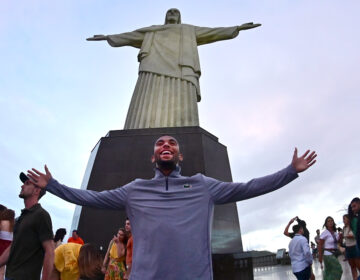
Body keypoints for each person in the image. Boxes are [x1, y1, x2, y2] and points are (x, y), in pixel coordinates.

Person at [27, 135, 317, 279]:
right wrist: (53, 185)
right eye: (160, 144)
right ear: (154, 158)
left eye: (172, 143)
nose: (166, 145)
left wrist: (290, 171)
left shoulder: (203, 186)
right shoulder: (135, 190)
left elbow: (248, 187)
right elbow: (91, 198)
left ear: (180, 156)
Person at [87, 9, 261, 129]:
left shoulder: (188, 30)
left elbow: (213, 32)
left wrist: (236, 28)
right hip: (152, 66)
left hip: (181, 68)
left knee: (182, 100)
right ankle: (138, 127)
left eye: (175, 12)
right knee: (147, 98)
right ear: (165, 16)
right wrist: (107, 37)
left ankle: (183, 127)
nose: (172, 14)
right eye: (169, 11)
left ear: (179, 17)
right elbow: (129, 36)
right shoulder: (152, 30)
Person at [0, 172, 54, 280]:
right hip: (10, 276)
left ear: (36, 191)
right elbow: (13, 247)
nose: (22, 185)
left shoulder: (41, 215)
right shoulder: (22, 217)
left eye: (27, 183)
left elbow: (50, 251)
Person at [318, 216, 343, 280]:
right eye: (328, 221)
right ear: (326, 224)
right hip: (328, 254)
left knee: (329, 271)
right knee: (339, 270)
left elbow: (338, 242)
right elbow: (320, 245)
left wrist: (341, 237)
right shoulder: (324, 233)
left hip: (335, 253)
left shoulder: (335, 233)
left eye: (332, 220)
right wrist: (320, 257)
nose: (330, 222)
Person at [342, 214, 360, 280]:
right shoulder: (344, 228)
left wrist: (349, 236)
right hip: (348, 248)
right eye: (343, 219)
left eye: (344, 219)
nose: (343, 220)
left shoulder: (353, 226)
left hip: (354, 247)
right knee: (352, 267)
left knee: (359, 266)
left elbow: (356, 235)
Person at [0, 206, 15, 280]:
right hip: (8, 248)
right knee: (2, 270)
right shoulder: (13, 226)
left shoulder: (2, 222)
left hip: (1, 244)